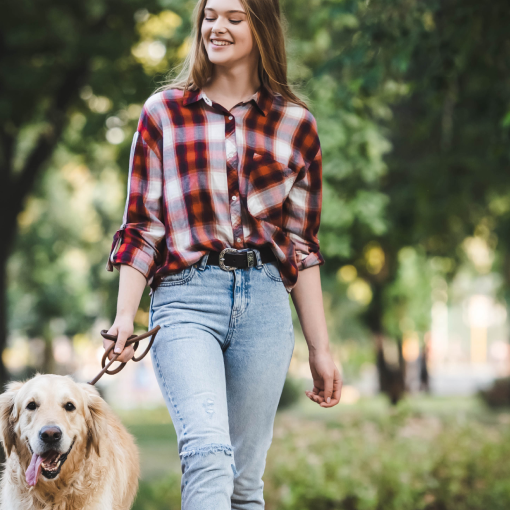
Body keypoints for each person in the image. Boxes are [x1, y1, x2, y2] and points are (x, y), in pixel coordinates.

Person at [102, 0, 342, 507]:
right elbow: (143, 227)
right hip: (186, 300)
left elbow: (302, 247)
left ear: (262, 27)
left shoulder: (296, 124)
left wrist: (320, 348)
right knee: (208, 453)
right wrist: (125, 316)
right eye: (211, 15)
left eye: (235, 17)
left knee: (244, 482)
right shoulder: (163, 114)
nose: (218, 27)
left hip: (265, 303)